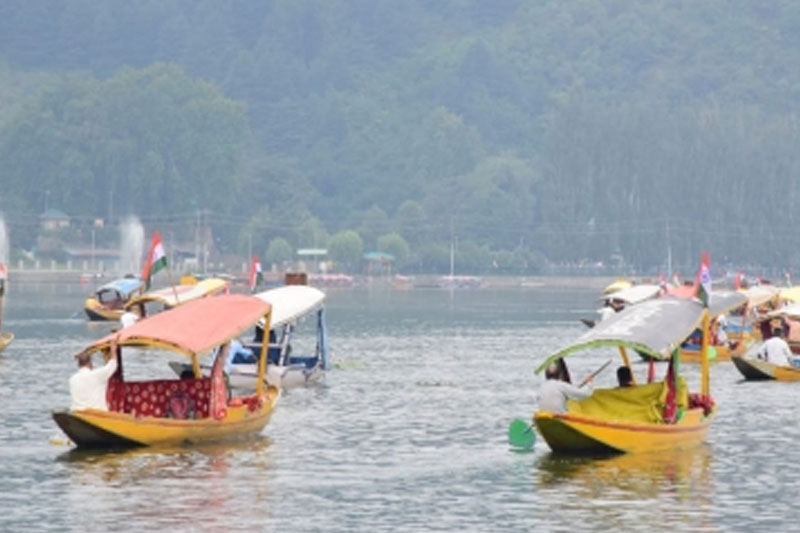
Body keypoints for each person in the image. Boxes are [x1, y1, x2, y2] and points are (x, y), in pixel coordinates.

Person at [69, 339, 119, 411]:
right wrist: (113, 350)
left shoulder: (72, 379)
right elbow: (113, 365)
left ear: (78, 365)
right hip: (97, 414)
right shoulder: (96, 375)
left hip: (78, 412)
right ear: (90, 363)